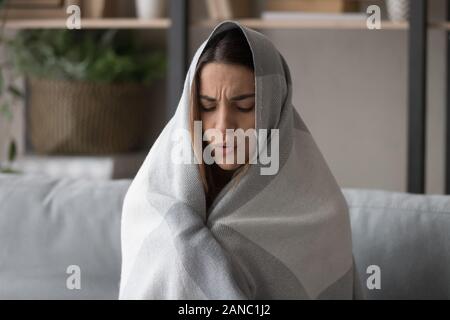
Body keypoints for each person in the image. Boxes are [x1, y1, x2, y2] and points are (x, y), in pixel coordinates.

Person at [119, 20, 361, 299]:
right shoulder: (149, 200)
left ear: (273, 109)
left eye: (244, 106)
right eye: (207, 106)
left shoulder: (321, 216)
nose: (223, 126)